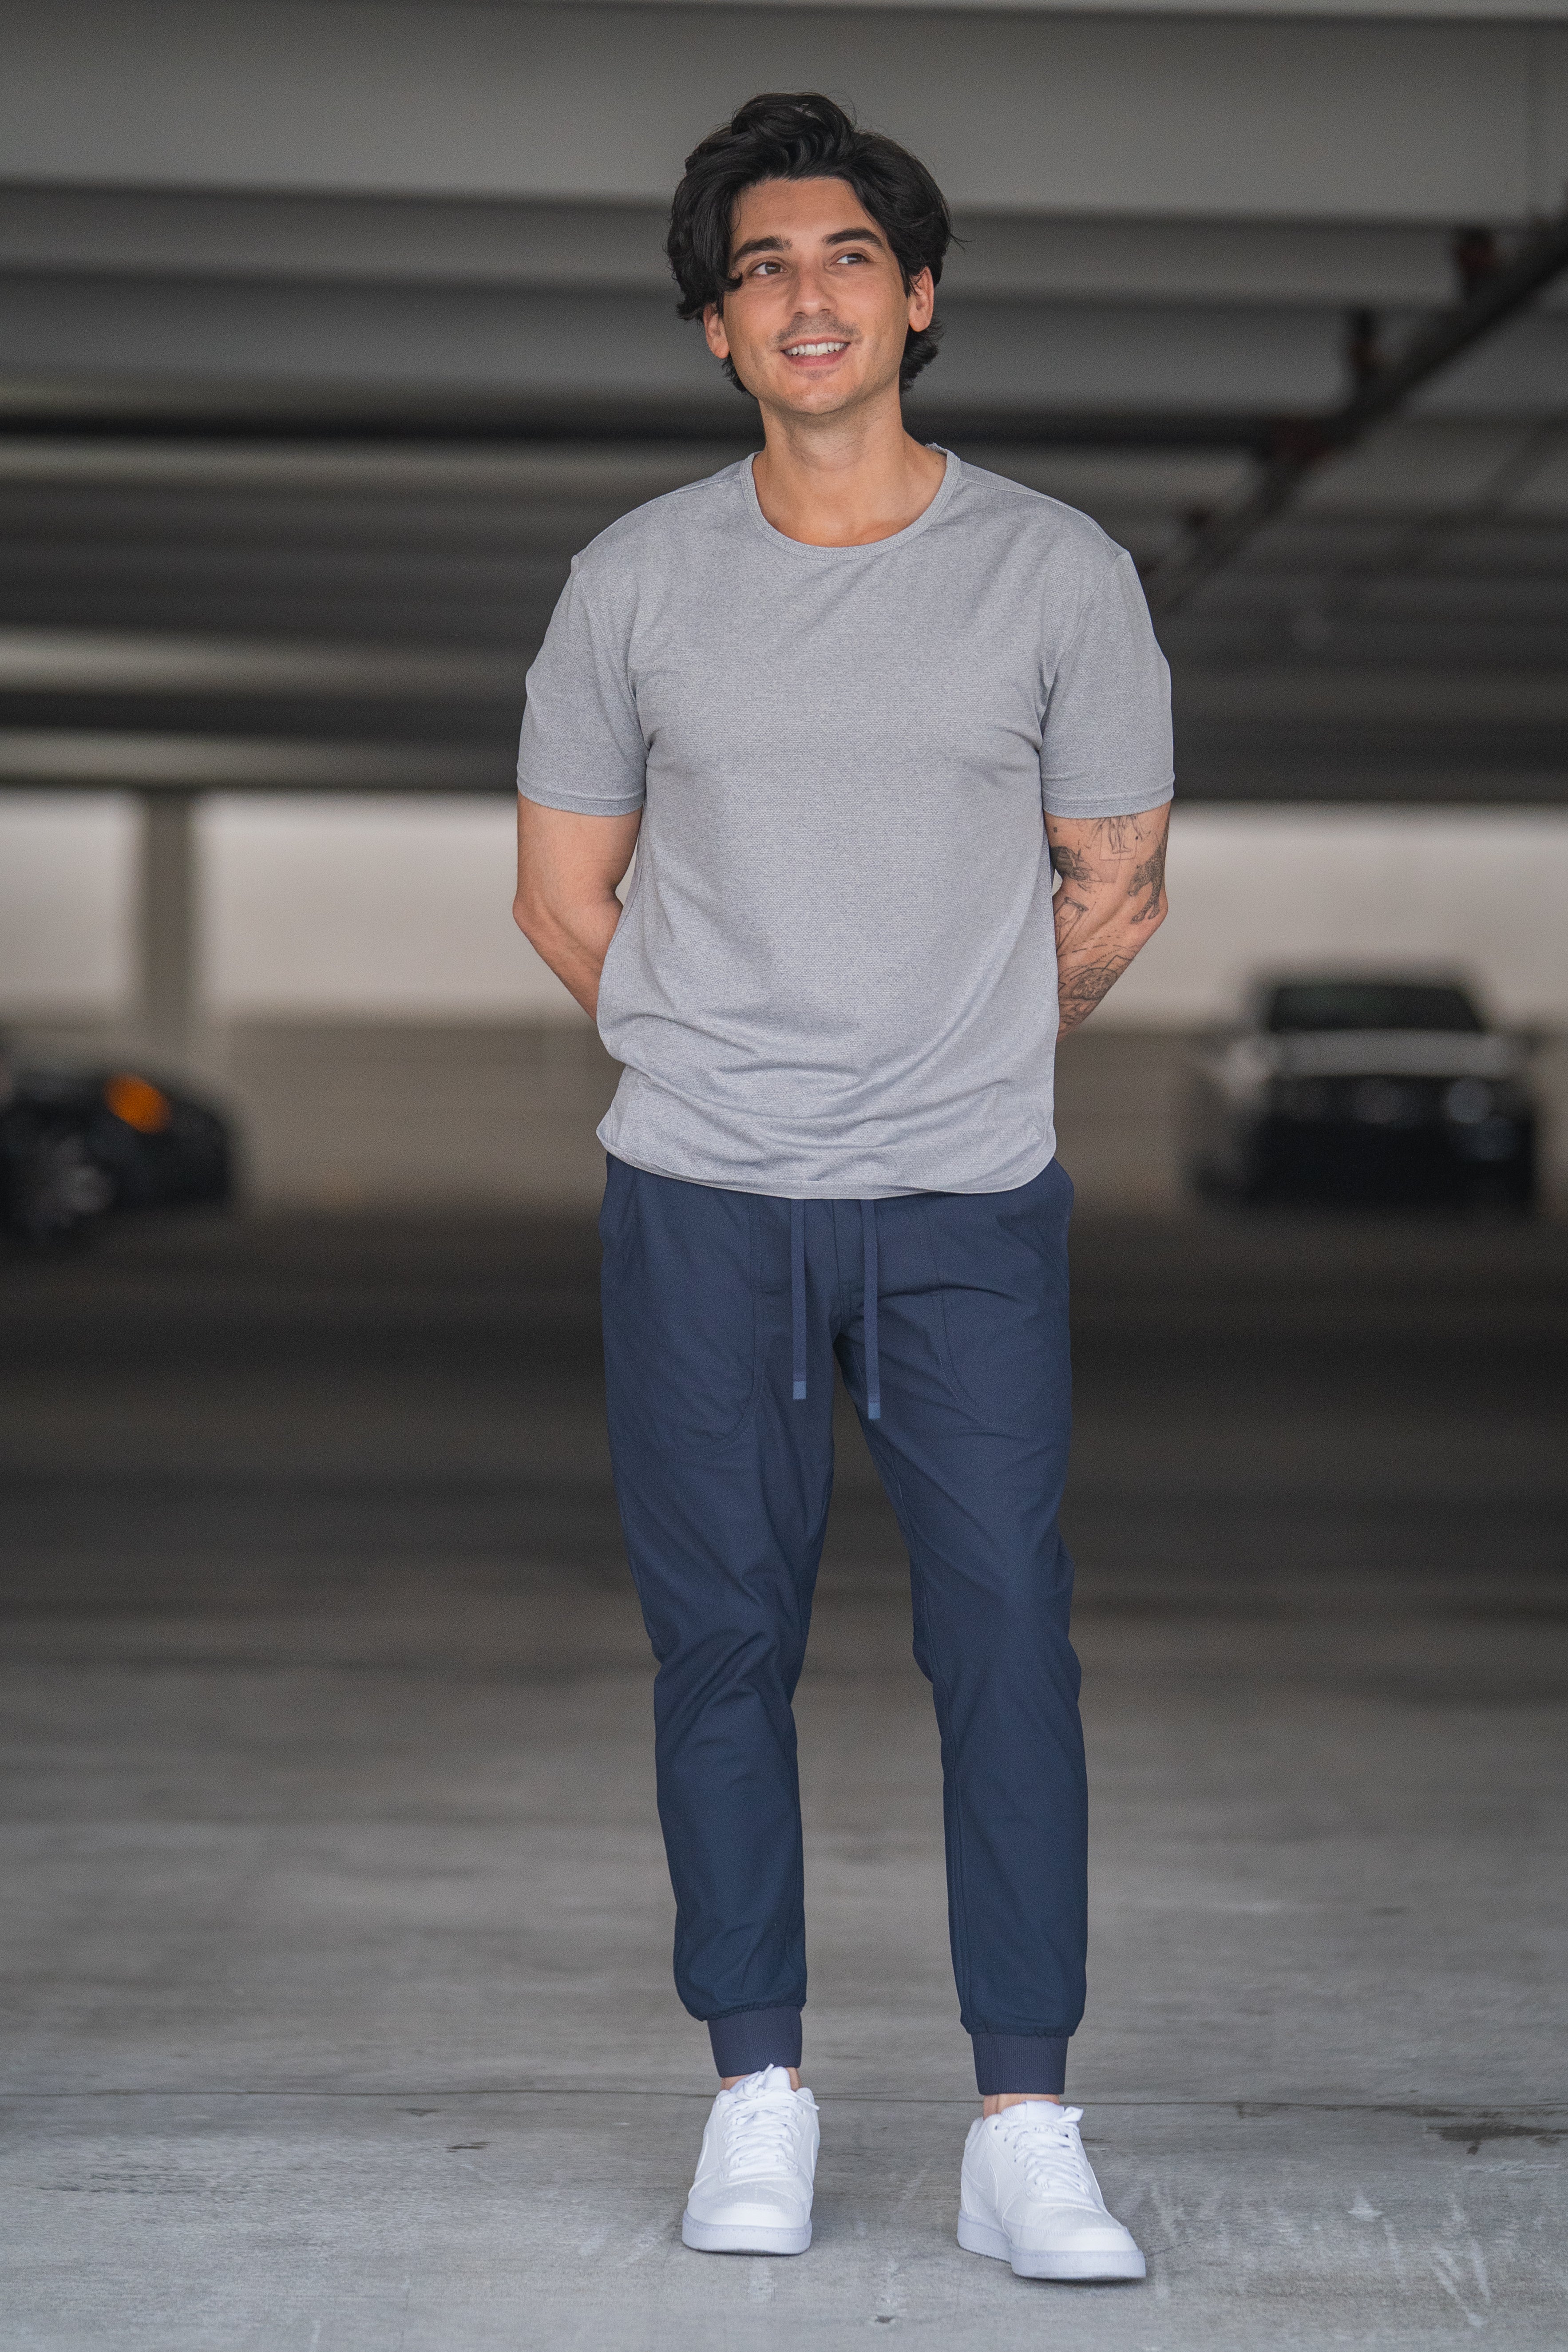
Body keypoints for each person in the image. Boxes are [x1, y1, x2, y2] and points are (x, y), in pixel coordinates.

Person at [514, 91, 1172, 2285]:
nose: (808, 295)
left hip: (966, 1200)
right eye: (761, 268)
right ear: (717, 329)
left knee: (1006, 1636)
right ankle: (757, 2090)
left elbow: (1113, 886)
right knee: (723, 1639)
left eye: (848, 257)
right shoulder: (631, 582)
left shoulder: (1058, 573)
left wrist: (946, 1050)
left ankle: (1024, 2121)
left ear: (918, 297)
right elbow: (560, 896)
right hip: (701, 1195)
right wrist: (732, 1058)